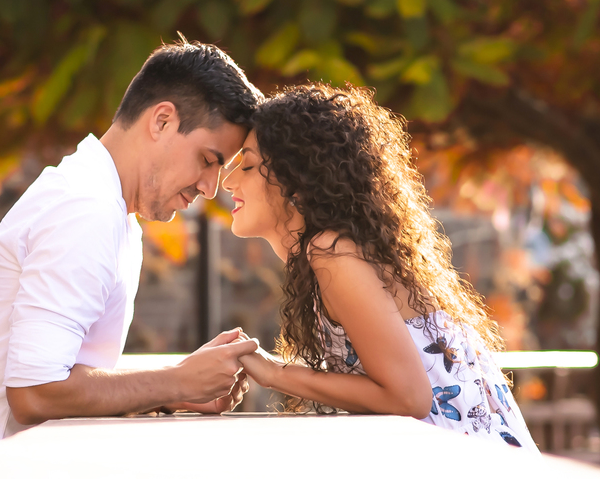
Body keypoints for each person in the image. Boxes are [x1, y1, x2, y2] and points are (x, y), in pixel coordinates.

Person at [0, 41, 263, 469]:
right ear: (163, 120)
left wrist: (177, 390)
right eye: (207, 160)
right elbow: (35, 392)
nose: (209, 188)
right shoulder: (87, 209)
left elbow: (67, 379)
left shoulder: (107, 208)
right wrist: (174, 382)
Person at [222, 83, 538, 450]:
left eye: (246, 165)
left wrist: (275, 372)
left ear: (296, 180)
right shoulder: (340, 252)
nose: (228, 181)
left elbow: (408, 398)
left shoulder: (332, 253)